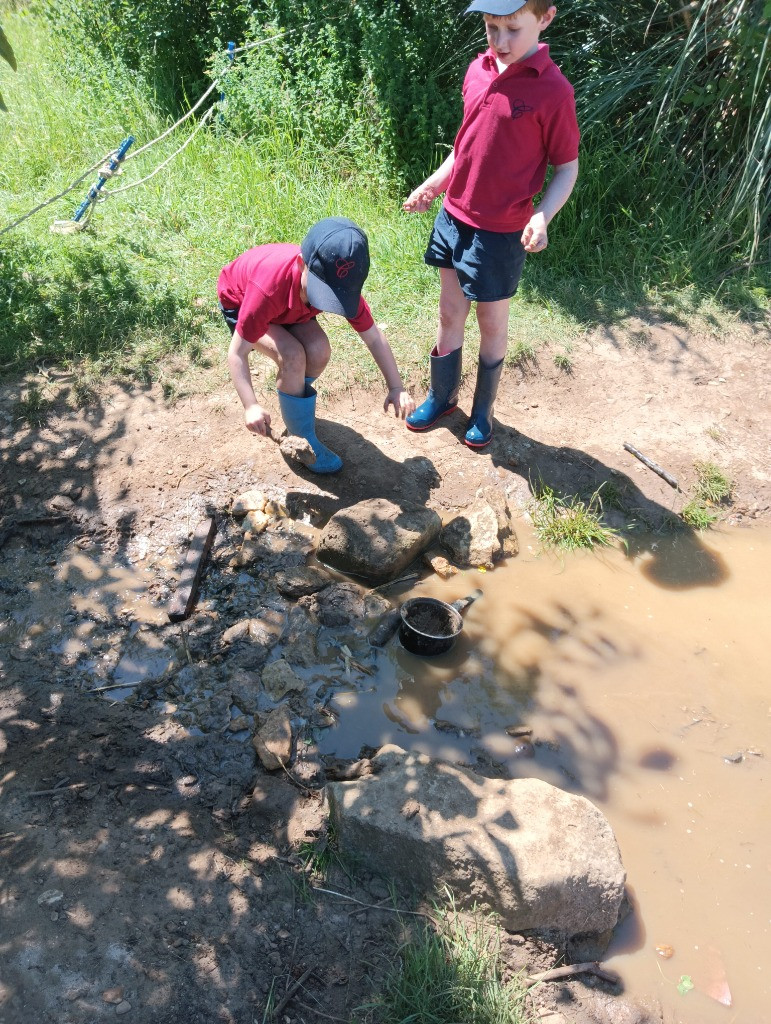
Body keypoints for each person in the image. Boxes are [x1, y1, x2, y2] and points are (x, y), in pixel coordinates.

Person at [403, 0, 579, 448]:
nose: (499, 42)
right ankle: (442, 397)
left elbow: (567, 168)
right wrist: (436, 184)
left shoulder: (554, 90)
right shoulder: (477, 69)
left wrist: (543, 215)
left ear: (545, 18)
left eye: (512, 30)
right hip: (454, 216)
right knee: (449, 312)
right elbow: (464, 148)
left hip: (502, 232)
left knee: (491, 322)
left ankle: (483, 411)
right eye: (490, 28)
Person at [219, 217, 415, 473]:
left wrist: (396, 387)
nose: (326, 303)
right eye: (324, 293)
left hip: (291, 309)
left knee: (319, 350)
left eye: (336, 297)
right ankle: (301, 440)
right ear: (302, 264)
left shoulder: (337, 283)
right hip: (243, 302)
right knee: (292, 356)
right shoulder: (267, 287)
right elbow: (236, 354)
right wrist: (251, 406)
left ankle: (293, 396)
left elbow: (374, 337)